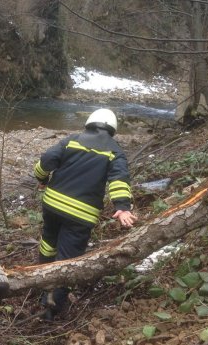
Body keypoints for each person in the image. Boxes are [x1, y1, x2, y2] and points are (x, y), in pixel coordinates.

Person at [33, 108, 137, 320]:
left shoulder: (72, 140)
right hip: (81, 214)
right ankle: (49, 308)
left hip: (52, 204)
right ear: (112, 128)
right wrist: (122, 206)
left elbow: (47, 160)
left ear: (90, 122)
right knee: (68, 260)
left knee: (48, 241)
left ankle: (39, 280)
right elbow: (119, 178)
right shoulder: (115, 150)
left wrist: (41, 179)